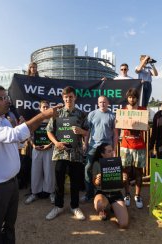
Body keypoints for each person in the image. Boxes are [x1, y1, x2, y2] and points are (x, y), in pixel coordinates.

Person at [0, 85, 60, 244]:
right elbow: (14, 135)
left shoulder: (3, 120)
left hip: (10, 184)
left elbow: (15, 142)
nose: (7, 101)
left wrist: (25, 140)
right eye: (2, 98)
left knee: (8, 227)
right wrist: (42, 115)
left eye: (7, 98)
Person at [45, 86, 89, 221]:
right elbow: (49, 131)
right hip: (60, 152)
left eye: (71, 96)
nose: (68, 99)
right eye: (66, 97)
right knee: (59, 181)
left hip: (76, 153)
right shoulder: (57, 113)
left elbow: (87, 132)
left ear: (75, 97)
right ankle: (58, 206)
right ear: (63, 98)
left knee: (75, 182)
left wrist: (81, 132)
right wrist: (56, 143)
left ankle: (74, 206)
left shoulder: (81, 114)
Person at [82, 96, 118, 202]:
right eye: (100, 102)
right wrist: (85, 144)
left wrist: (114, 149)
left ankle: (108, 195)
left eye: (104, 102)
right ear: (98, 103)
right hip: (93, 146)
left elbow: (116, 135)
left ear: (108, 103)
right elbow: (87, 131)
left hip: (107, 147)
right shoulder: (92, 114)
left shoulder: (112, 116)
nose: (102, 104)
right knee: (87, 169)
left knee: (106, 171)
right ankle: (89, 194)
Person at [119, 88, 146, 209]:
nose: (132, 99)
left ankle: (138, 195)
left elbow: (145, 127)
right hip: (125, 145)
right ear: (127, 98)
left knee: (138, 172)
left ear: (137, 98)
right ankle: (127, 195)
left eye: (134, 97)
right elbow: (118, 126)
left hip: (139, 145)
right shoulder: (123, 111)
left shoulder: (142, 110)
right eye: (130, 97)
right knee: (125, 172)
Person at [24, 100, 55, 205]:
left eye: (47, 107)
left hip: (49, 149)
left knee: (49, 172)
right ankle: (34, 193)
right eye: (44, 107)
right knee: (35, 171)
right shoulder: (35, 121)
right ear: (40, 109)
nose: (45, 109)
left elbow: (56, 136)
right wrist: (33, 145)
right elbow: (29, 135)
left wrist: (49, 145)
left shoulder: (53, 120)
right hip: (36, 149)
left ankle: (51, 193)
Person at [91, 143, 128, 228]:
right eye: (109, 151)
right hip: (102, 193)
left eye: (112, 151)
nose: (112, 153)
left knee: (123, 224)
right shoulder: (96, 164)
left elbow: (121, 183)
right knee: (99, 204)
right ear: (102, 154)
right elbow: (94, 183)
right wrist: (96, 180)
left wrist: (124, 179)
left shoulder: (117, 162)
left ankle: (113, 206)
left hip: (116, 193)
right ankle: (103, 210)